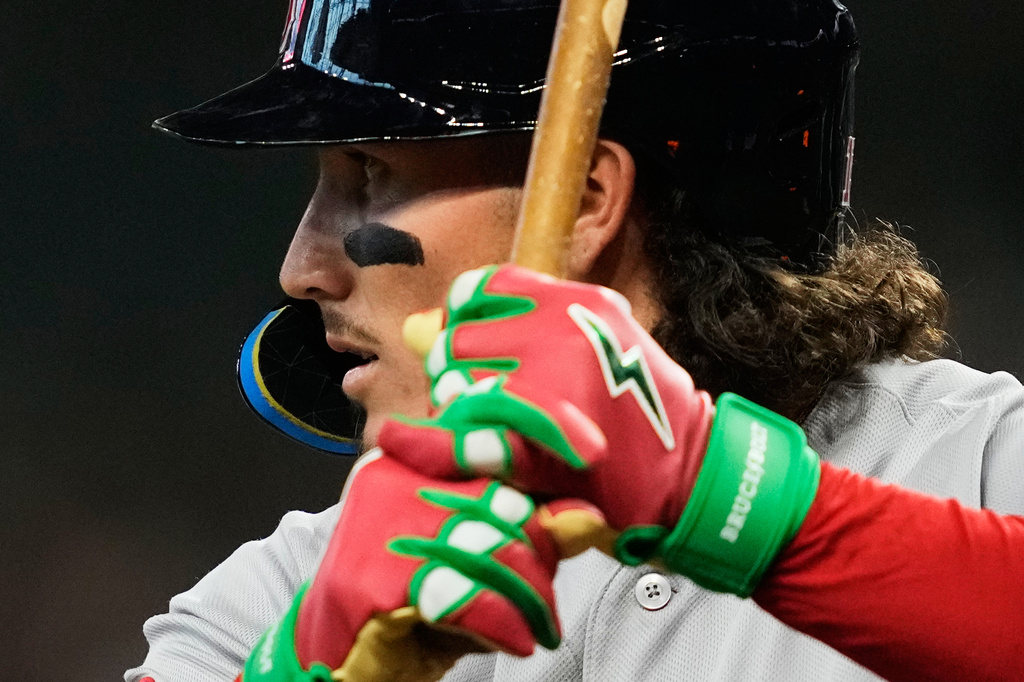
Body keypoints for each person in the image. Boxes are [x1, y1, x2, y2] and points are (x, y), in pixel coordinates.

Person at [128, 1, 1024, 681]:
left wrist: (726, 500)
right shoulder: (287, 598)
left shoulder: (978, 461)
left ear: (589, 200)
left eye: (371, 174)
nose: (302, 267)